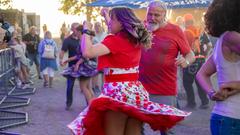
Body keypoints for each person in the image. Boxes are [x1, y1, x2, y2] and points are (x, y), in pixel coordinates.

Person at [68, 7, 190, 135]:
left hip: (117, 94)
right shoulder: (135, 40)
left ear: (121, 23)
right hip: (134, 93)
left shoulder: (114, 41)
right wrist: (107, 16)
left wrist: (86, 31)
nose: (109, 23)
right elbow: (114, 30)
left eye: (112, 20)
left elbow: (87, 52)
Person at [139, 1, 195, 134]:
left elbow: (190, 54)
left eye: (156, 15)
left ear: (164, 14)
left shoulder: (175, 30)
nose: (152, 18)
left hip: (164, 89)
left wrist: (185, 62)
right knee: (136, 127)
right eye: (150, 14)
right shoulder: (141, 29)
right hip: (139, 88)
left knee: (167, 129)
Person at [196, 0, 240, 134]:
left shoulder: (224, 39)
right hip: (232, 120)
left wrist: (212, 94)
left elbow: (201, 74)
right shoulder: (231, 37)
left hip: (227, 118)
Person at [61, 24, 97, 106]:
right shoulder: (82, 40)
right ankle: (93, 105)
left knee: (84, 87)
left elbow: (85, 55)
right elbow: (79, 55)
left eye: (76, 31)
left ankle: (91, 107)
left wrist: (77, 64)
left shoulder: (83, 41)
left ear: (79, 32)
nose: (74, 32)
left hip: (86, 66)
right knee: (88, 87)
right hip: (88, 66)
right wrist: (68, 60)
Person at [182, 13, 210, 109]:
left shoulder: (186, 32)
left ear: (185, 22)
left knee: (187, 83)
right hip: (202, 60)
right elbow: (209, 45)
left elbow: (184, 48)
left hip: (191, 61)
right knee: (199, 82)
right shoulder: (201, 31)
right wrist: (205, 55)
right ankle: (205, 102)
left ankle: (191, 103)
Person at [59, 22, 81, 110]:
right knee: (70, 85)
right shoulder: (67, 40)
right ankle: (68, 103)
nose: (77, 31)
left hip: (83, 64)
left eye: (78, 29)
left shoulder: (83, 38)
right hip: (72, 65)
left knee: (85, 87)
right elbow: (62, 51)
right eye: (75, 29)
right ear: (72, 29)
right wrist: (60, 60)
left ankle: (89, 104)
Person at [92, 22, 107, 92]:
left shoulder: (105, 35)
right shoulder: (92, 36)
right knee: (95, 72)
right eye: (96, 26)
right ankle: (94, 86)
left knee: (104, 73)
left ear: (101, 27)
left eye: (98, 26)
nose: (97, 27)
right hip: (95, 57)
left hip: (104, 56)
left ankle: (103, 86)